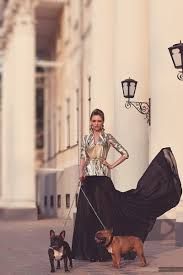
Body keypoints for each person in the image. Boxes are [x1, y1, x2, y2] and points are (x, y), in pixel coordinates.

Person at [72, 108, 182, 262]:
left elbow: (125, 153)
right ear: (90, 122)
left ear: (103, 122)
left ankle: (105, 252)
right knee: (88, 217)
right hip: (88, 181)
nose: (96, 123)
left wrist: (111, 165)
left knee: (104, 216)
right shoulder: (85, 139)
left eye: (99, 121)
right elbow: (83, 157)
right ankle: (89, 252)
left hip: (103, 181)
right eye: (94, 120)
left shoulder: (107, 138)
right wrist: (81, 172)